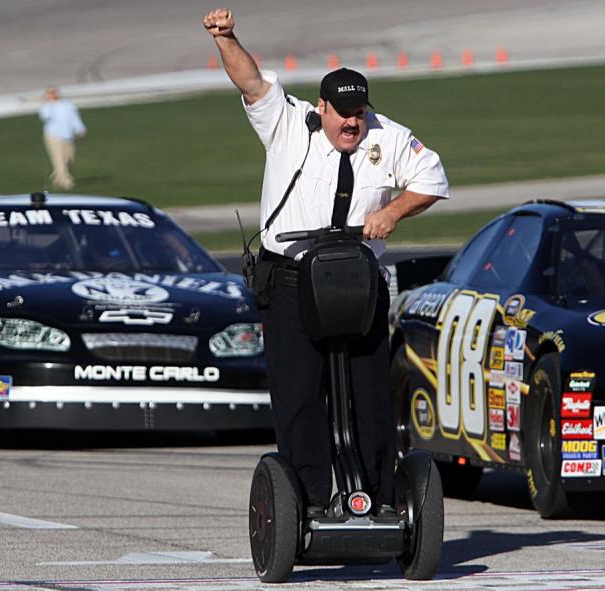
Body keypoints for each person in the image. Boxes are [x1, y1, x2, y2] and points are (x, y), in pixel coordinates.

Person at [203, 8, 449, 517]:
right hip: (291, 281)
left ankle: (378, 501)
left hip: (357, 284)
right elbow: (250, 80)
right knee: (298, 399)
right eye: (343, 114)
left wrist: (393, 211)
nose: (352, 123)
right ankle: (309, 503)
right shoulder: (288, 121)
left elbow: (432, 178)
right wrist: (227, 38)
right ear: (322, 109)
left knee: (371, 397)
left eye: (359, 112)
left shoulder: (388, 136)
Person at [39, 86, 86, 190]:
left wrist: (80, 128)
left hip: (69, 136)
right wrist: (49, 103)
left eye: (54, 92)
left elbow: (74, 117)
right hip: (53, 136)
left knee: (69, 160)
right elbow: (45, 117)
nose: (54, 94)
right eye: (51, 92)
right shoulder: (46, 106)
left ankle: (57, 178)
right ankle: (67, 183)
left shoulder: (67, 104)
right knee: (59, 160)